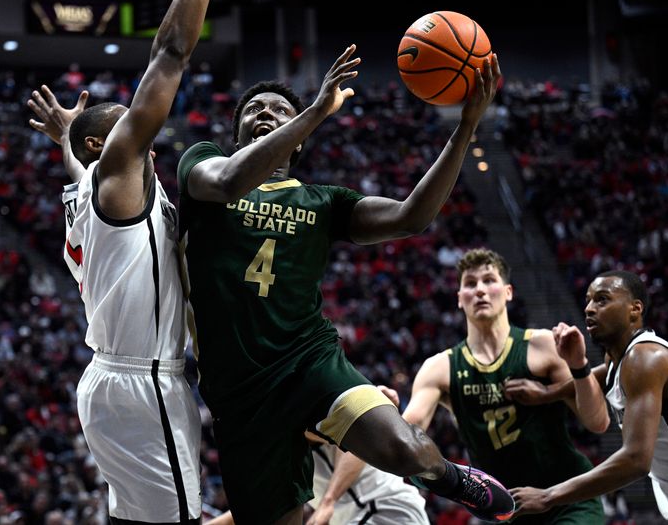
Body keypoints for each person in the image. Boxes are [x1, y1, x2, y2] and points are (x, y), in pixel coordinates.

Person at [177, 50, 514, 524]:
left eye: (278, 109)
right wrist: (315, 112)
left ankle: (452, 479)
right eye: (254, 109)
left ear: (298, 144)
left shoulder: (324, 202)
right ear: (237, 136)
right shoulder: (204, 165)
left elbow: (411, 216)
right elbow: (232, 180)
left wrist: (465, 127)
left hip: (308, 360)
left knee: (407, 449)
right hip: (237, 389)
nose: (265, 113)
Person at [26, 0, 210, 523]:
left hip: (114, 379)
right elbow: (170, 52)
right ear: (103, 149)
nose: (146, 144)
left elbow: (76, 158)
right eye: (130, 135)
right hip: (143, 383)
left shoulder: (87, 186)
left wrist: (65, 135)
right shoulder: (119, 178)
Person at [399, 247, 608, 524]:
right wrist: (390, 420)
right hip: (504, 509)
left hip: (566, 497)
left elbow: (598, 423)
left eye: (489, 280)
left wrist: (580, 364)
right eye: (470, 284)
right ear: (459, 299)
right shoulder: (439, 368)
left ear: (508, 292)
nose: (480, 290)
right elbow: (407, 438)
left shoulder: (544, 346)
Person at [511, 270, 668, 524]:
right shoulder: (619, 359)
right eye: (587, 300)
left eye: (602, 299)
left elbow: (636, 460)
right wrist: (547, 393)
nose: (588, 308)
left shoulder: (645, 359)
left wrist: (548, 496)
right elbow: (598, 375)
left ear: (635, 309)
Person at [202, 387, 430, 525]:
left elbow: (356, 448)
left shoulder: (306, 417)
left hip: (384, 508)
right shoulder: (281, 454)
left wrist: (327, 502)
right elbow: (253, 511)